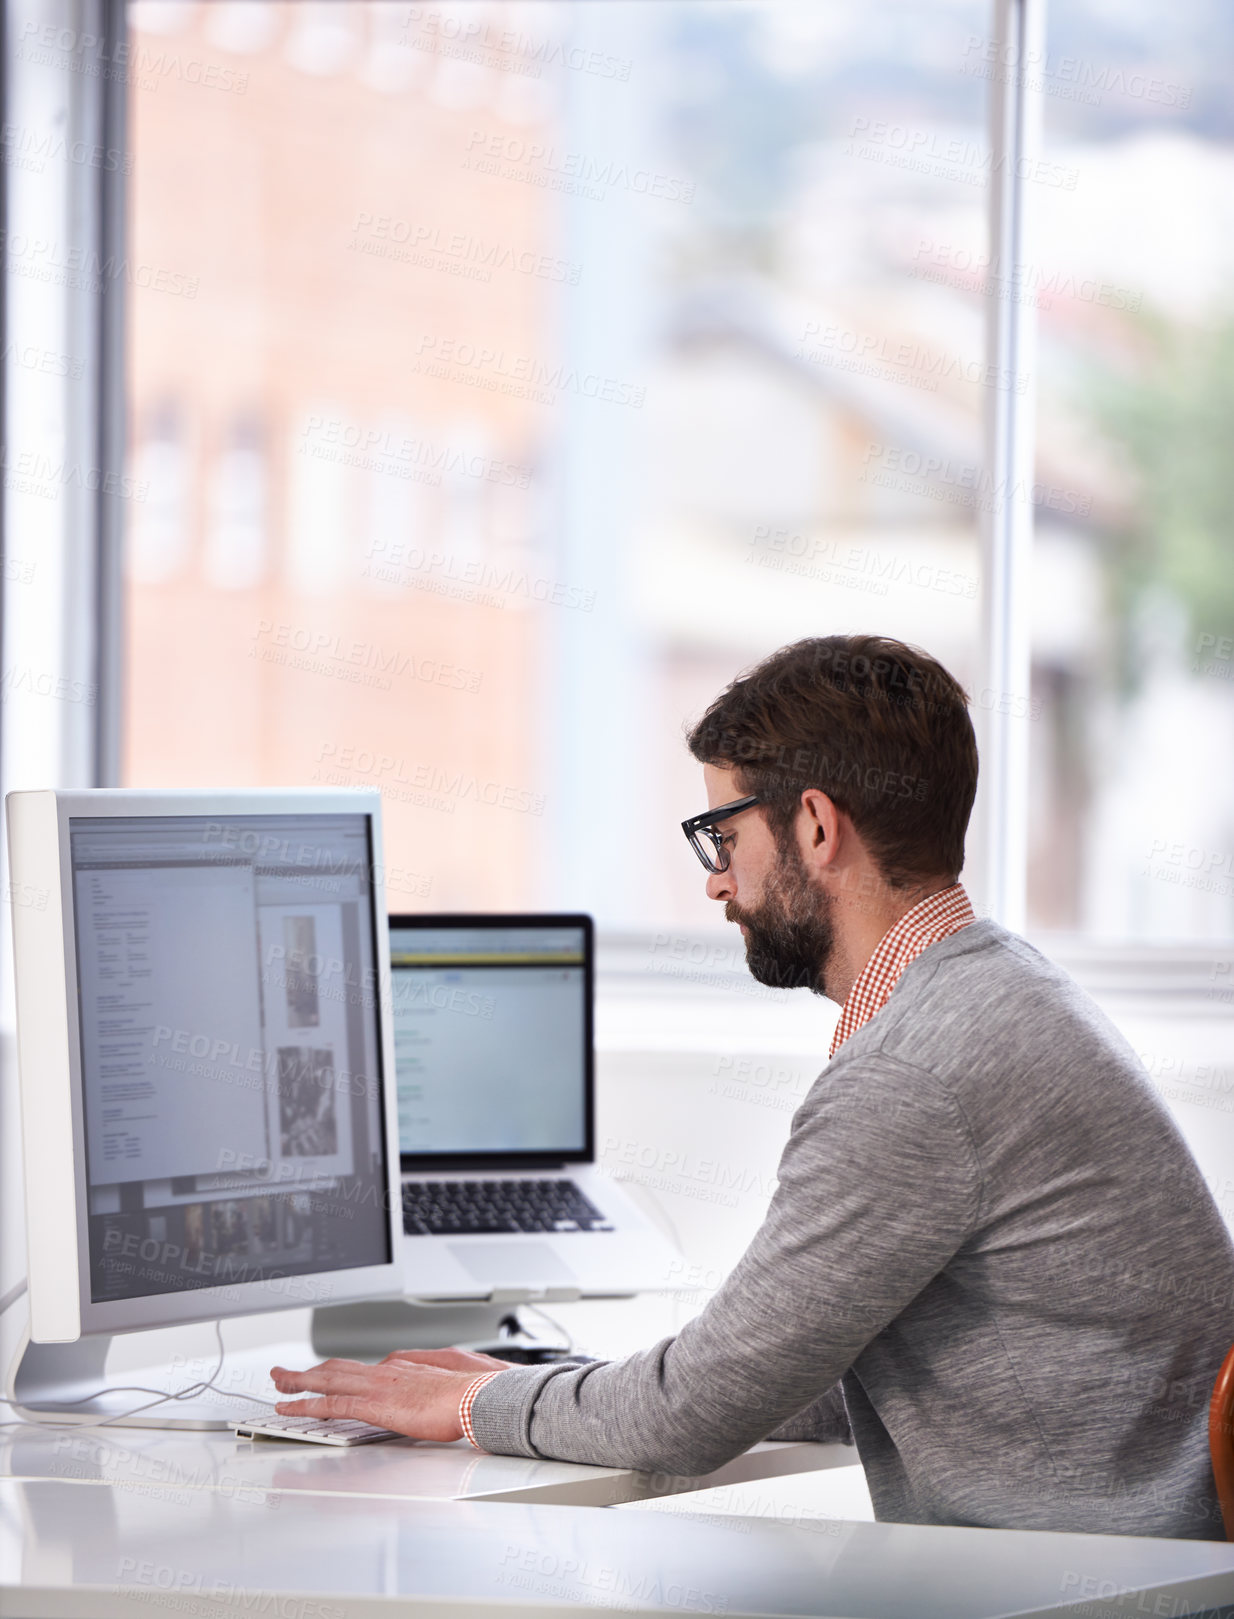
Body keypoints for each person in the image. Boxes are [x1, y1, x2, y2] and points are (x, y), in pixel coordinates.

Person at [273, 634, 1234, 1538]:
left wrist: (476, 1402)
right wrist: (560, 1388)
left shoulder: (915, 1070)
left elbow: (688, 1417)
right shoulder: (999, 986)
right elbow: (791, 1364)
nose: (715, 883)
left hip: (1114, 1587)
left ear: (815, 826)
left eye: (720, 835)